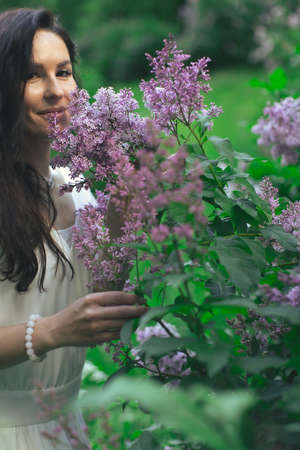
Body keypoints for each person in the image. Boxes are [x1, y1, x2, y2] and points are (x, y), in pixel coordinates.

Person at [0, 7, 147, 449]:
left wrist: (127, 208)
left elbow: (94, 303)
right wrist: (51, 332)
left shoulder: (75, 188)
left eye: (63, 72)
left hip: (64, 430)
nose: (55, 91)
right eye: (31, 76)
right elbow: (65, 324)